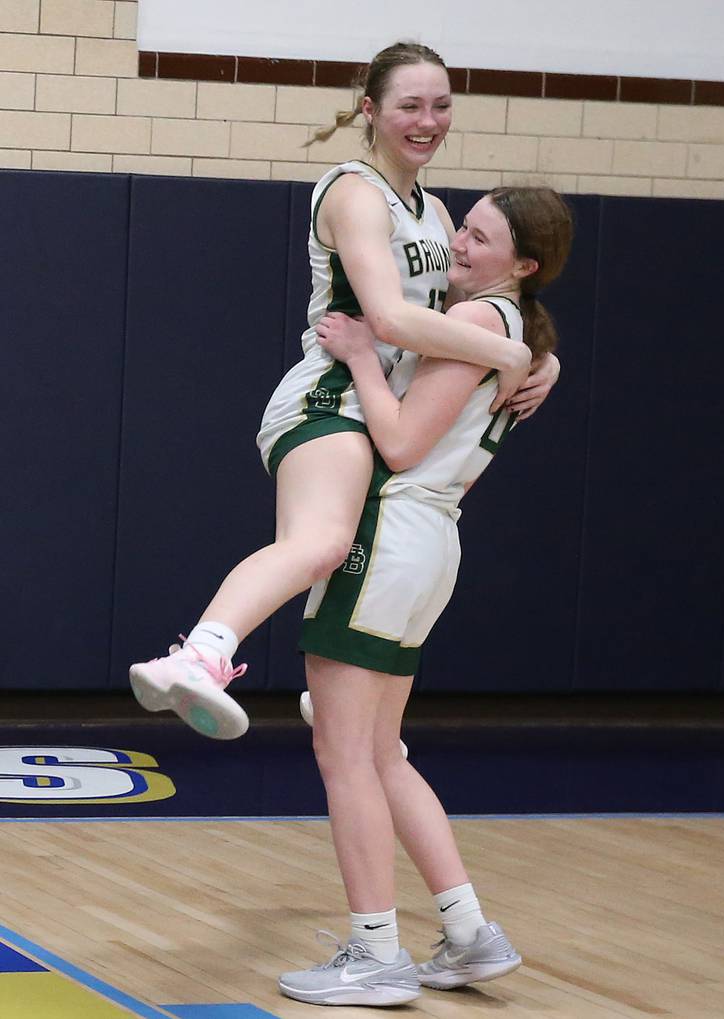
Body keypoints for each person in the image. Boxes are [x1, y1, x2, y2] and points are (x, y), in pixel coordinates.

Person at [129, 41, 560, 738]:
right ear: (370, 110)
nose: (428, 120)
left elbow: (495, 298)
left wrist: (545, 359)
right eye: (410, 106)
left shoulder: (438, 214)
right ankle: (199, 654)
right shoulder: (354, 191)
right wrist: (510, 351)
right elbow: (390, 318)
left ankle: (327, 693)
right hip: (329, 395)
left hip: (372, 407)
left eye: (442, 105)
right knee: (324, 540)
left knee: (349, 545)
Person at [277, 184, 574, 1006]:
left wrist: (364, 357)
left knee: (345, 756)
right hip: (428, 544)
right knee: (380, 753)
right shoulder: (510, 330)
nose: (457, 248)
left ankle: (374, 951)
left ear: (522, 265)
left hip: (395, 533)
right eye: (462, 230)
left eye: (476, 239)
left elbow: (402, 444)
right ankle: (471, 931)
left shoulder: (480, 324)